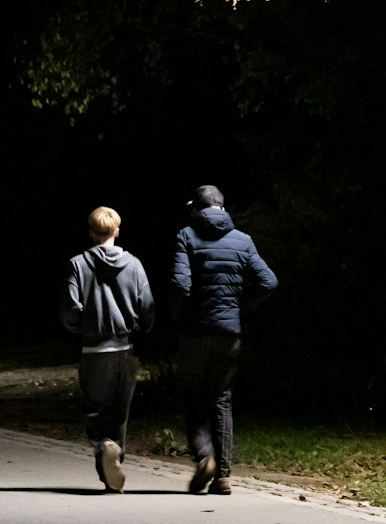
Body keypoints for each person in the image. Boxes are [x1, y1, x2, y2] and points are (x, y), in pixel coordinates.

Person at [171, 185, 277, 496]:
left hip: (196, 332)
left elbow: (180, 284)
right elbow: (269, 282)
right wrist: (240, 307)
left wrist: (178, 316)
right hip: (230, 333)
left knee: (192, 395)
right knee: (222, 399)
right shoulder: (242, 241)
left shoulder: (187, 236)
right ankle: (223, 477)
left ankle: (205, 457)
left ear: (197, 210)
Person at [59, 206, 155, 492]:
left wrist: (82, 327)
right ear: (116, 231)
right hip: (125, 348)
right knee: (119, 413)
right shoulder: (135, 264)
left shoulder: (77, 264)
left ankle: (105, 447)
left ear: (91, 232)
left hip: (94, 350)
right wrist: (141, 329)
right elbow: (147, 307)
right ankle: (115, 463)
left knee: (95, 411)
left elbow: (70, 311)